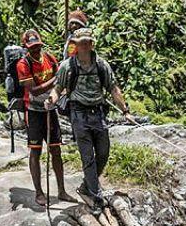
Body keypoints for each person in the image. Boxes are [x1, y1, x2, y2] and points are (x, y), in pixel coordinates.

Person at [47, 27, 128, 213]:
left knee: (103, 152)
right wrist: (51, 99)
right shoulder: (68, 66)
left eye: (87, 42)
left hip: (98, 113)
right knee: (87, 157)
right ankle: (95, 196)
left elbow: (113, 88)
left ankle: (86, 186)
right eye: (80, 43)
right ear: (75, 45)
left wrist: (125, 110)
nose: (84, 46)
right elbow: (58, 88)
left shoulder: (101, 65)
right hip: (78, 114)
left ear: (91, 44)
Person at [15, 30, 70, 206]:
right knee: (35, 151)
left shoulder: (50, 58)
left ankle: (61, 190)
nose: (36, 50)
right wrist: (56, 79)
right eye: (32, 48)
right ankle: (39, 192)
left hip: (50, 109)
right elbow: (33, 90)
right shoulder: (23, 65)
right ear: (26, 47)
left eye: (38, 46)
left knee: (56, 150)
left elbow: (61, 80)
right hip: (34, 111)